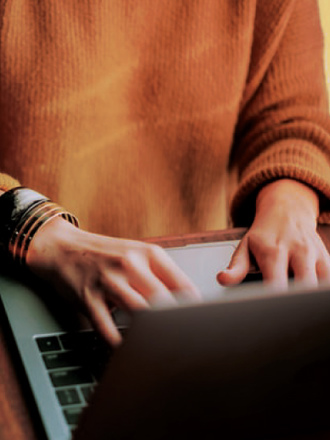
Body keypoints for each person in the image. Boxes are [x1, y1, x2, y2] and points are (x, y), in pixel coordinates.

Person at [1, 0, 330, 346]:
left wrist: (288, 206)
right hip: (30, 289)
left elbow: (293, 117)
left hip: (204, 292)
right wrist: (37, 231)